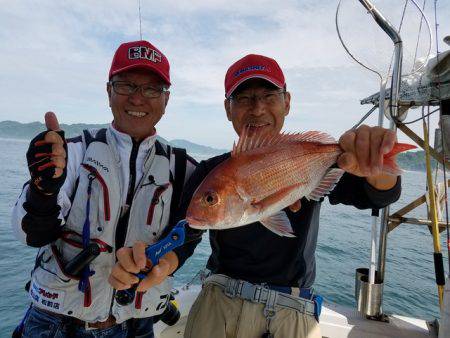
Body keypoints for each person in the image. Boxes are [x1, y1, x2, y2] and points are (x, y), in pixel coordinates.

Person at [173, 54, 402, 338]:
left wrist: (375, 163)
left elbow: (378, 196)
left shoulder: (318, 160)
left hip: (291, 310)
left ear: (287, 102)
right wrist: (160, 264)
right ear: (227, 108)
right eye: (243, 98)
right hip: (219, 302)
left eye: (269, 95)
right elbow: (184, 233)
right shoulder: (212, 171)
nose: (257, 109)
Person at [11, 40, 197, 337]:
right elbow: (27, 233)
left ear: (166, 99)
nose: (137, 98)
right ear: (109, 91)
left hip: (138, 326)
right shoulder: (71, 154)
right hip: (55, 324)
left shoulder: (184, 169)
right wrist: (43, 190)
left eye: (151, 89)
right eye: (125, 85)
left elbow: (193, 233)